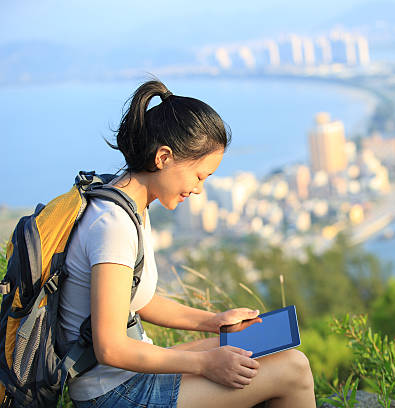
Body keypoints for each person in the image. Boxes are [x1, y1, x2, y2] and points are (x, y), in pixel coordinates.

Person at [58, 80, 316, 408]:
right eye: (199, 176)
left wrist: (212, 321)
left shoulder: (127, 202)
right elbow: (110, 348)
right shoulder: (114, 226)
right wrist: (205, 364)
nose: (198, 190)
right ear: (164, 157)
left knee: (258, 351)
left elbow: (137, 300)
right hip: (113, 393)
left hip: (122, 378)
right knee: (293, 370)